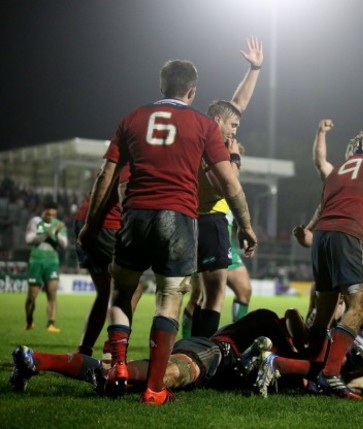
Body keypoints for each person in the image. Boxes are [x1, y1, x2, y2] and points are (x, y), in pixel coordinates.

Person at [77, 58, 257, 405]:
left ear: (162, 87)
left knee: (121, 293)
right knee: (169, 298)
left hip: (135, 216)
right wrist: (246, 226)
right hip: (178, 218)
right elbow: (229, 182)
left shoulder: (131, 119)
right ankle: (155, 387)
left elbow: (106, 176)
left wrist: (92, 225)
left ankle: (118, 369)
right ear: (192, 91)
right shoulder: (203, 125)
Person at [300, 129, 363, 399]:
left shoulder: (337, 171)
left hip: (322, 237)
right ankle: (331, 373)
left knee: (323, 312)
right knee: (359, 305)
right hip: (350, 234)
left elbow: (322, 209)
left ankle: (309, 375)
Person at [9, 309, 305, 398]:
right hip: (213, 352)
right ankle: (111, 375)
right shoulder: (269, 319)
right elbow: (295, 353)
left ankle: (35, 360)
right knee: (172, 374)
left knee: (130, 376)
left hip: (204, 351)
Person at [189, 36, 263, 337]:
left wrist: (255, 68)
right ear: (217, 121)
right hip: (210, 219)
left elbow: (238, 106)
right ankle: (196, 351)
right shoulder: (211, 145)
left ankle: (188, 347)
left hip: (202, 221)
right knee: (209, 296)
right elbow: (223, 187)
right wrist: (234, 157)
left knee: (197, 294)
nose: (235, 131)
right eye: (232, 126)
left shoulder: (201, 134)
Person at [73, 169, 144, 357]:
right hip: (105, 225)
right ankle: (111, 352)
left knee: (105, 293)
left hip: (88, 221)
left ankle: (83, 351)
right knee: (132, 290)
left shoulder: (121, 152)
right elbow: (124, 187)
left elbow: (105, 179)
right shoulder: (134, 153)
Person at [24, 201, 68, 332]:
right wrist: (45, 235)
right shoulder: (35, 222)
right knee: (32, 296)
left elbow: (64, 245)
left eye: (53, 214)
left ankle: (51, 324)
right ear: (42, 211)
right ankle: (29, 321)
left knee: (52, 294)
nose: (50, 217)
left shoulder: (59, 225)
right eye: (48, 214)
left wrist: (55, 234)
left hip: (52, 262)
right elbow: (29, 240)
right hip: (36, 261)